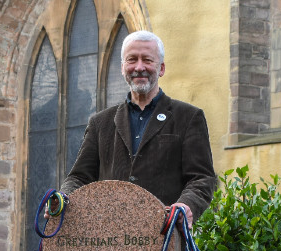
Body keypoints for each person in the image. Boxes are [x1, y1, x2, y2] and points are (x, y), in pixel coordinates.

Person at [60, 30, 217, 228]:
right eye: (132, 60)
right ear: (123, 67)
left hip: (163, 234)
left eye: (147, 60)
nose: (139, 67)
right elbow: (80, 177)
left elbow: (202, 178)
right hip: (107, 240)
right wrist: (62, 199)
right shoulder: (100, 123)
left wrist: (187, 205)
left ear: (161, 68)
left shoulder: (188, 117)